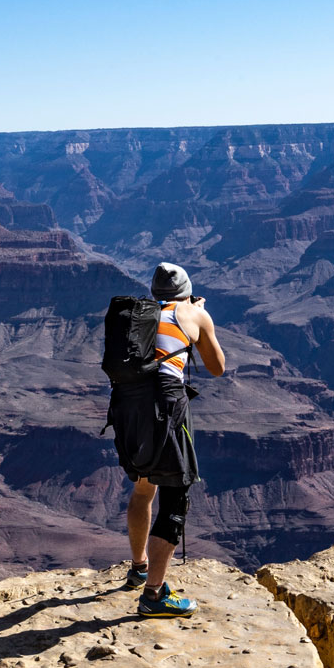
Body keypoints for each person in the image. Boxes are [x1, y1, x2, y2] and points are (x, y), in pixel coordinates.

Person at [108, 262, 225, 618]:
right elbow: (217, 367)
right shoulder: (193, 314)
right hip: (167, 406)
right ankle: (154, 595)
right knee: (175, 496)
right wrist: (201, 317)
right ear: (186, 292)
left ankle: (139, 568)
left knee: (144, 486)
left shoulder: (139, 316)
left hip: (128, 407)